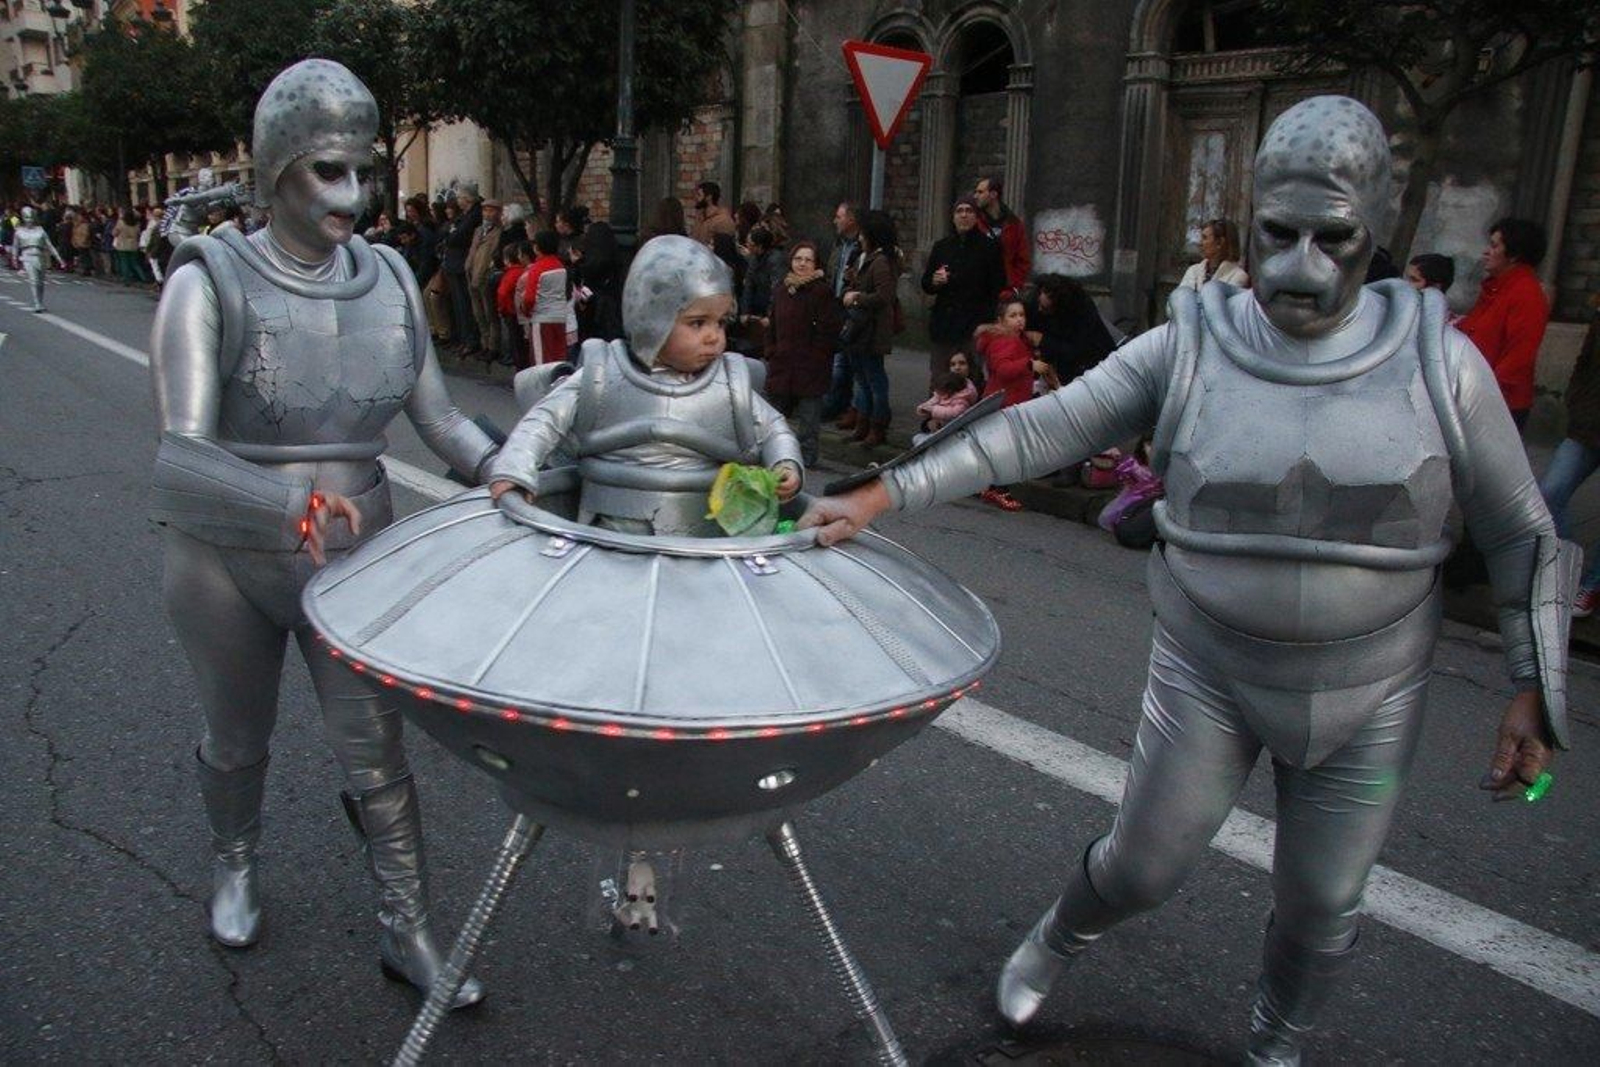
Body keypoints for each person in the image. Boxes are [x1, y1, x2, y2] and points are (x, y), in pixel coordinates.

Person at [799, 96, 1567, 1066]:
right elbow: (1041, 428)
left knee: (1324, 899)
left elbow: (1520, 528)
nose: (1298, 263)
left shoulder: (1439, 364)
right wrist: (882, 492)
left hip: (1370, 684)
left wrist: (1532, 684)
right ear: (1251, 223)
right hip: (1209, 662)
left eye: (1330, 237)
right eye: (1276, 232)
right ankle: (1059, 933)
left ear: (1374, 230)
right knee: (1141, 864)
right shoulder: (1196, 339)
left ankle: (1277, 1043)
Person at [147, 60, 499, 1009]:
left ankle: (408, 927)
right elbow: (178, 456)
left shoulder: (388, 276)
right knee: (235, 734)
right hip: (224, 551)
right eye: (325, 173)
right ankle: (235, 863)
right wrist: (288, 508)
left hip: (358, 556)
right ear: (273, 171)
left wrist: (508, 471)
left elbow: (445, 422)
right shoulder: (208, 278)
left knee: (376, 748)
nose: (355, 196)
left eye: (364, 172)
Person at [488, 234, 803, 537]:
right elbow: (544, 420)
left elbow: (773, 427)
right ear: (652, 318)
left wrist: (785, 463)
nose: (714, 336)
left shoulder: (730, 384)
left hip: (703, 542)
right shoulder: (602, 374)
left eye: (720, 322)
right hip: (608, 537)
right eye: (697, 323)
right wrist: (515, 471)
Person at [1537, 292, 1600, 616]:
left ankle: (1591, 585)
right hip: (1589, 423)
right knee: (1551, 492)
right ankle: (1565, 568)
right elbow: (1585, 360)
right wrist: (1576, 400)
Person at [1457, 218, 1551, 430]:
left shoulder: (1527, 294)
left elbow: (1519, 355)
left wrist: (1485, 393)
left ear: (1514, 255)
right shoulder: (1495, 288)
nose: (1486, 252)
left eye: (1494, 246)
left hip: (1497, 403)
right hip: (1473, 393)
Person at [764, 239, 843, 467]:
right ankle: (773, 454)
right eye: (798, 259)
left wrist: (817, 356)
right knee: (773, 415)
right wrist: (771, 350)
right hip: (782, 362)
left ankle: (806, 460)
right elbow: (773, 323)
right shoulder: (782, 289)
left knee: (808, 419)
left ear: (816, 264)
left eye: (808, 260)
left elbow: (829, 330)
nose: (802, 264)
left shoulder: (821, 291)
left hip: (810, 365)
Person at [972, 298, 1050, 511]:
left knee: (1002, 449)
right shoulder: (1006, 341)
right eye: (1013, 316)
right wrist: (1029, 364)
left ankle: (990, 486)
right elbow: (1003, 369)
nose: (1019, 320)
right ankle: (1000, 490)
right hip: (1006, 403)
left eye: (1022, 315)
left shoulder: (1014, 340)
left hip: (1008, 402)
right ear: (1001, 320)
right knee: (1008, 451)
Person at [922, 196, 1007, 391]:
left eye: (969, 211)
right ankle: (937, 418)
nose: (964, 215)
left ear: (976, 217)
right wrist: (934, 281)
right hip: (944, 323)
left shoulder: (989, 248)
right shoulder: (942, 246)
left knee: (972, 377)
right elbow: (926, 283)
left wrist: (987, 323)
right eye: (959, 211)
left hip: (973, 324)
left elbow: (997, 287)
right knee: (941, 375)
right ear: (953, 217)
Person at [842, 210, 901, 447]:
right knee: (862, 379)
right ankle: (863, 424)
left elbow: (883, 296)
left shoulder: (881, 262)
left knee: (874, 380)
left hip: (872, 331)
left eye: (863, 234)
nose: (859, 239)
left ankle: (877, 426)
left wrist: (856, 297)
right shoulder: (868, 259)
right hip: (861, 330)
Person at [1026, 274, 1118, 386]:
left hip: (1093, 364)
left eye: (1045, 308)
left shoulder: (1082, 311)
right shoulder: (1036, 299)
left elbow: (1077, 350)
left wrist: (1043, 341)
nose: (1039, 309)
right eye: (1039, 303)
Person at [825, 201, 864, 426]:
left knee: (846, 364)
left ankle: (847, 407)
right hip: (838, 305)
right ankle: (837, 404)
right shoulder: (839, 245)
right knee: (839, 359)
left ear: (851, 219)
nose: (835, 220)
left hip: (854, 308)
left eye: (839, 216)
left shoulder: (861, 246)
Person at [519, 229, 570, 366]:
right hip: (560, 317)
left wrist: (526, 311)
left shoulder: (537, 268)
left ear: (537, 248)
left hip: (542, 318)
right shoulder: (561, 266)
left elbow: (529, 299)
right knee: (559, 358)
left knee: (541, 362)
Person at [441, 184, 482, 355]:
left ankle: (470, 340)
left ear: (468, 199)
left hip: (461, 264)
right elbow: (448, 233)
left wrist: (451, 235)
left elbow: (457, 236)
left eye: (460, 198)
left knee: (465, 305)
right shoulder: (463, 216)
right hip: (453, 263)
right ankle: (463, 338)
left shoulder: (473, 216)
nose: (458, 201)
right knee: (458, 305)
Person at [975, 175, 1030, 298]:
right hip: (977, 290)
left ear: (993, 194)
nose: (975, 196)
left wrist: (1014, 287)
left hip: (1004, 291)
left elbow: (1022, 259)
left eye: (980, 192)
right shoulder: (974, 222)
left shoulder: (1014, 224)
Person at [465, 198, 505, 364]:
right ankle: (484, 343)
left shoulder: (499, 231)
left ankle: (493, 347)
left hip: (486, 276)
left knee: (490, 313)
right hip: (472, 274)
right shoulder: (478, 230)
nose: (487, 214)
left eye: (491, 210)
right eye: (485, 210)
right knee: (478, 313)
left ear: (498, 213)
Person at [10, 206, 66, 311]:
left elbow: (49, 246)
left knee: (40, 282)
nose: (29, 220)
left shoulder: (40, 230)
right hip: (27, 257)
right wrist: (14, 258)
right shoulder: (19, 232)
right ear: (23, 218)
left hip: (40, 256)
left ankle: (40, 302)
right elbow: (15, 246)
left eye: (31, 217)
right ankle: (37, 304)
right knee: (34, 281)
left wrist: (59, 259)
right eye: (26, 217)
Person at [915, 352, 978, 438]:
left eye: (962, 363)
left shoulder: (968, 393)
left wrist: (933, 410)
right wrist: (924, 408)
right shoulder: (945, 384)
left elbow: (955, 413)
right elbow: (935, 399)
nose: (957, 368)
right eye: (953, 364)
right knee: (918, 438)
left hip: (957, 433)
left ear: (970, 366)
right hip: (939, 427)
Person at [1178, 218, 1249, 290]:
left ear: (1220, 242)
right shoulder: (1193, 271)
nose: (1200, 243)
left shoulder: (1238, 276)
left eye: (1205, 238)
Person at [495, 241, 529, 368]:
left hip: (511, 312)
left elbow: (502, 293)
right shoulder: (523, 271)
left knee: (516, 345)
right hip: (522, 313)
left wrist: (502, 309)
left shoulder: (510, 274)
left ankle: (520, 371)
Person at [691, 180, 737, 248]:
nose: (696, 198)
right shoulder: (700, 217)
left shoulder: (723, 220)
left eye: (699, 195)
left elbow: (725, 248)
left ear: (709, 197)